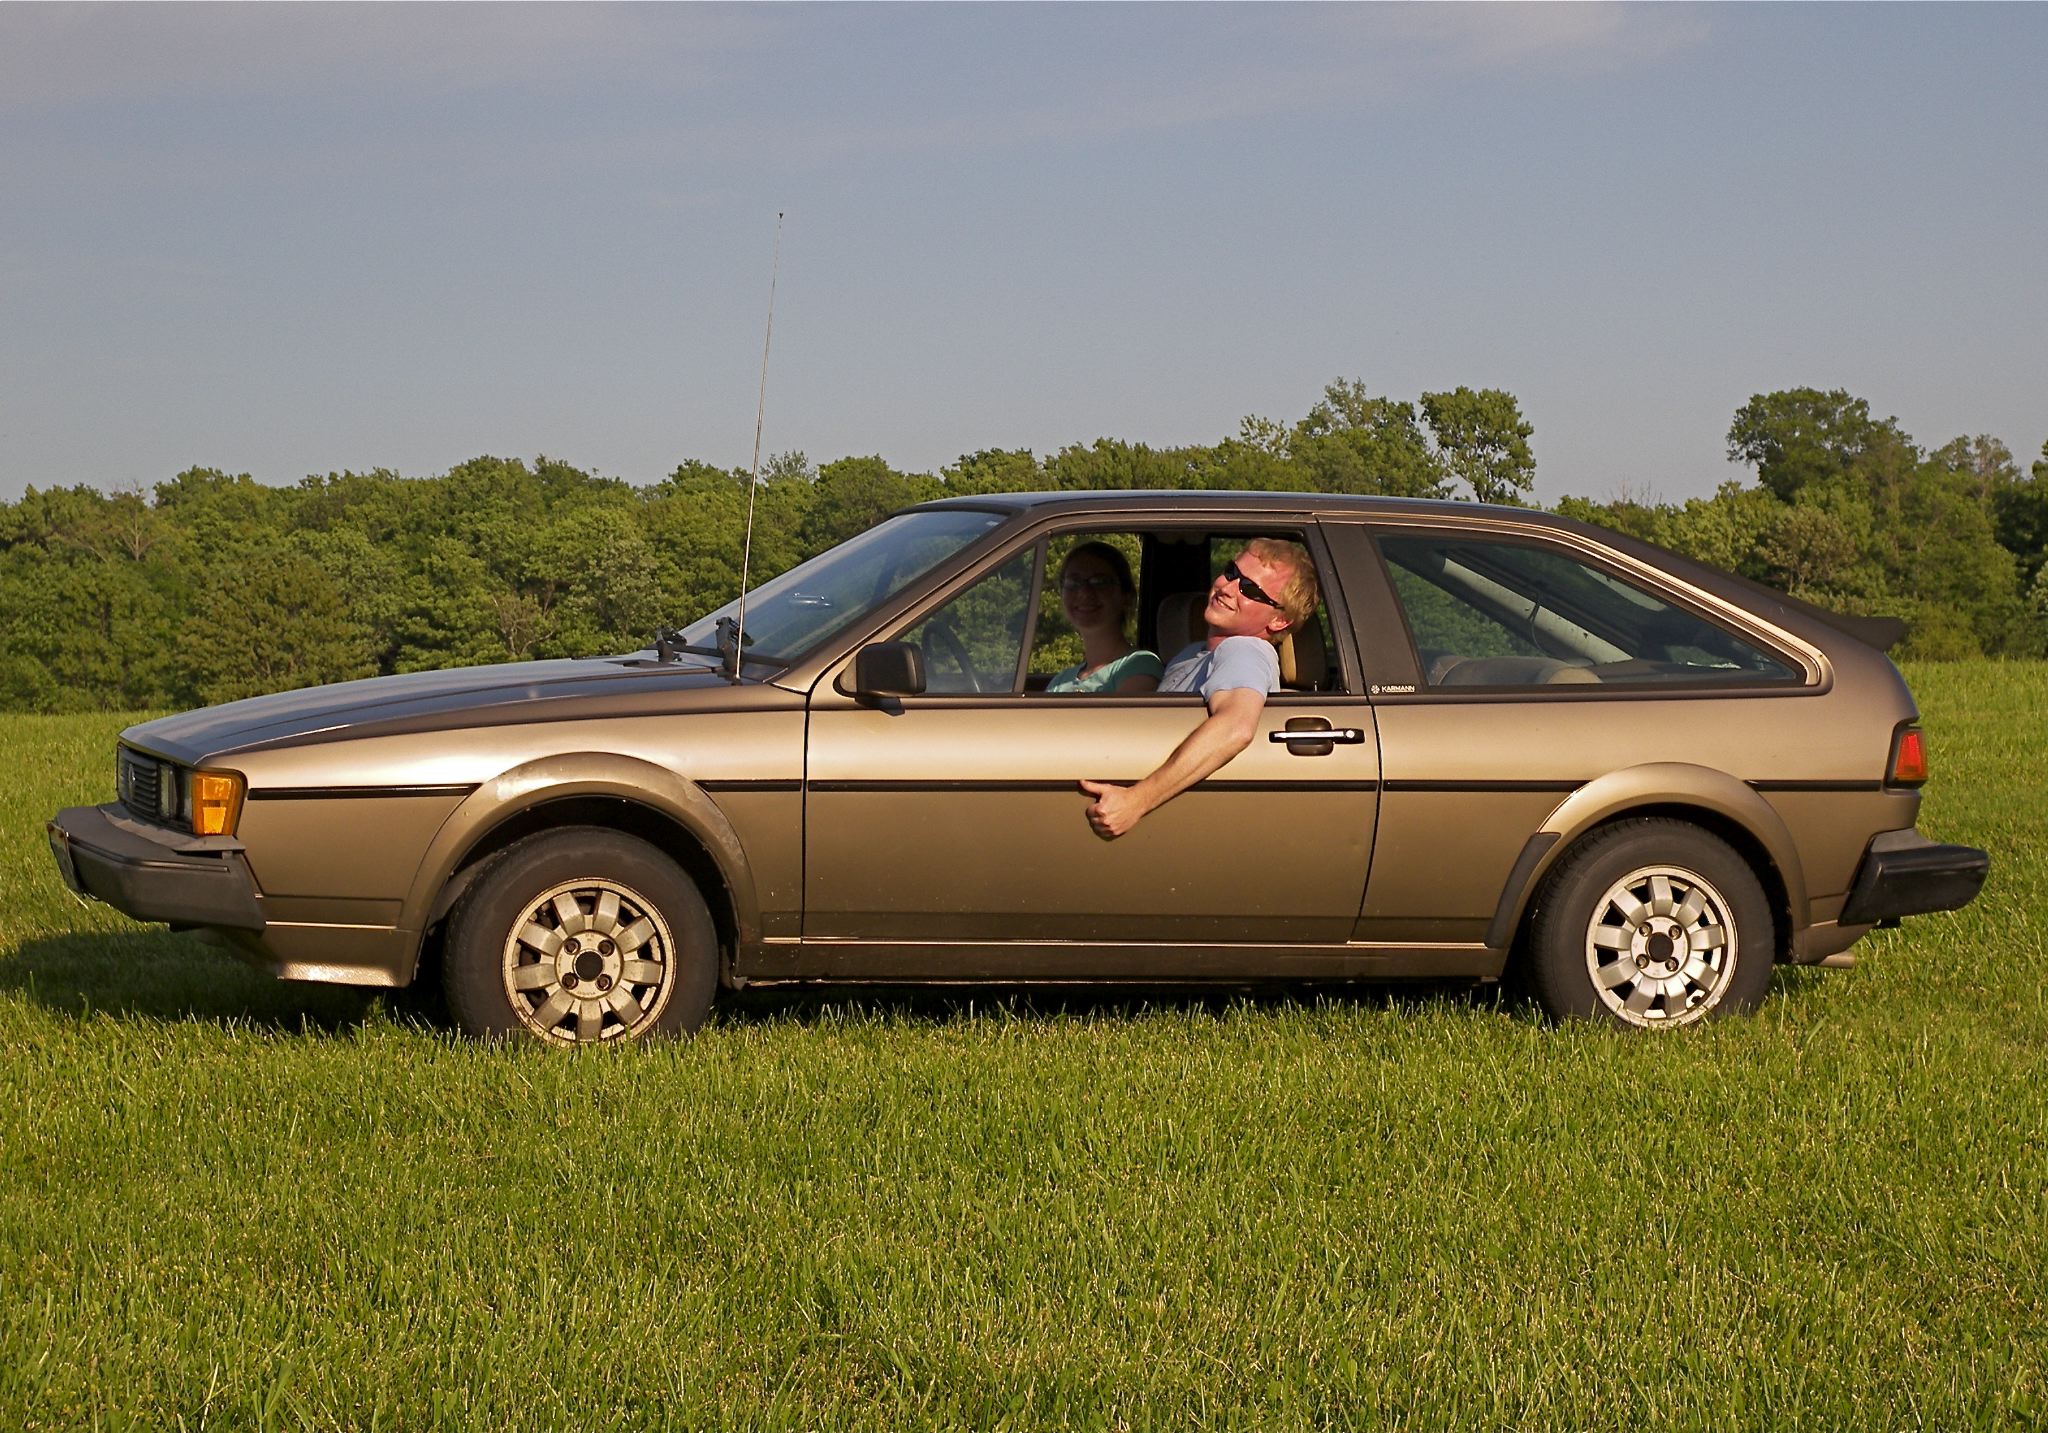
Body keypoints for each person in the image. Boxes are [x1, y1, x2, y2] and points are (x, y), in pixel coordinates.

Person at [1079, 537, 1318, 840]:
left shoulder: (1244, 650)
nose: (1228, 588)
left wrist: (1136, 801)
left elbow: (1236, 727)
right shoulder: (1191, 655)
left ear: (1279, 620)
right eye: (1232, 572)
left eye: (1250, 589)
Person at [1044, 542, 1163, 696]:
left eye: (1100, 582)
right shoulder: (1060, 681)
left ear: (1126, 596)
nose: (1084, 592)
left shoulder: (1139, 664)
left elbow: (1126, 712)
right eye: (1073, 583)